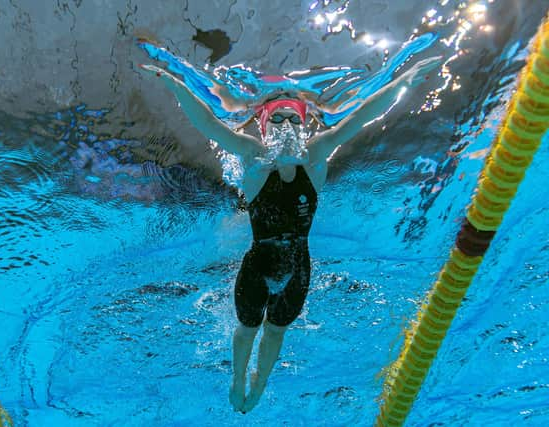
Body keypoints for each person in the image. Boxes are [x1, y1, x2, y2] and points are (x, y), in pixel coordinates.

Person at [138, 48, 440, 413]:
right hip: (257, 266)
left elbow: (362, 117)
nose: (287, 128)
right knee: (248, 330)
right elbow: (208, 126)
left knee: (276, 330)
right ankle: (237, 379)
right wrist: (177, 84)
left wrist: (404, 81)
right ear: (265, 130)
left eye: (294, 122)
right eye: (278, 122)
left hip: (299, 269)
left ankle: (259, 384)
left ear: (304, 127)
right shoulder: (252, 157)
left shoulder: (316, 155)